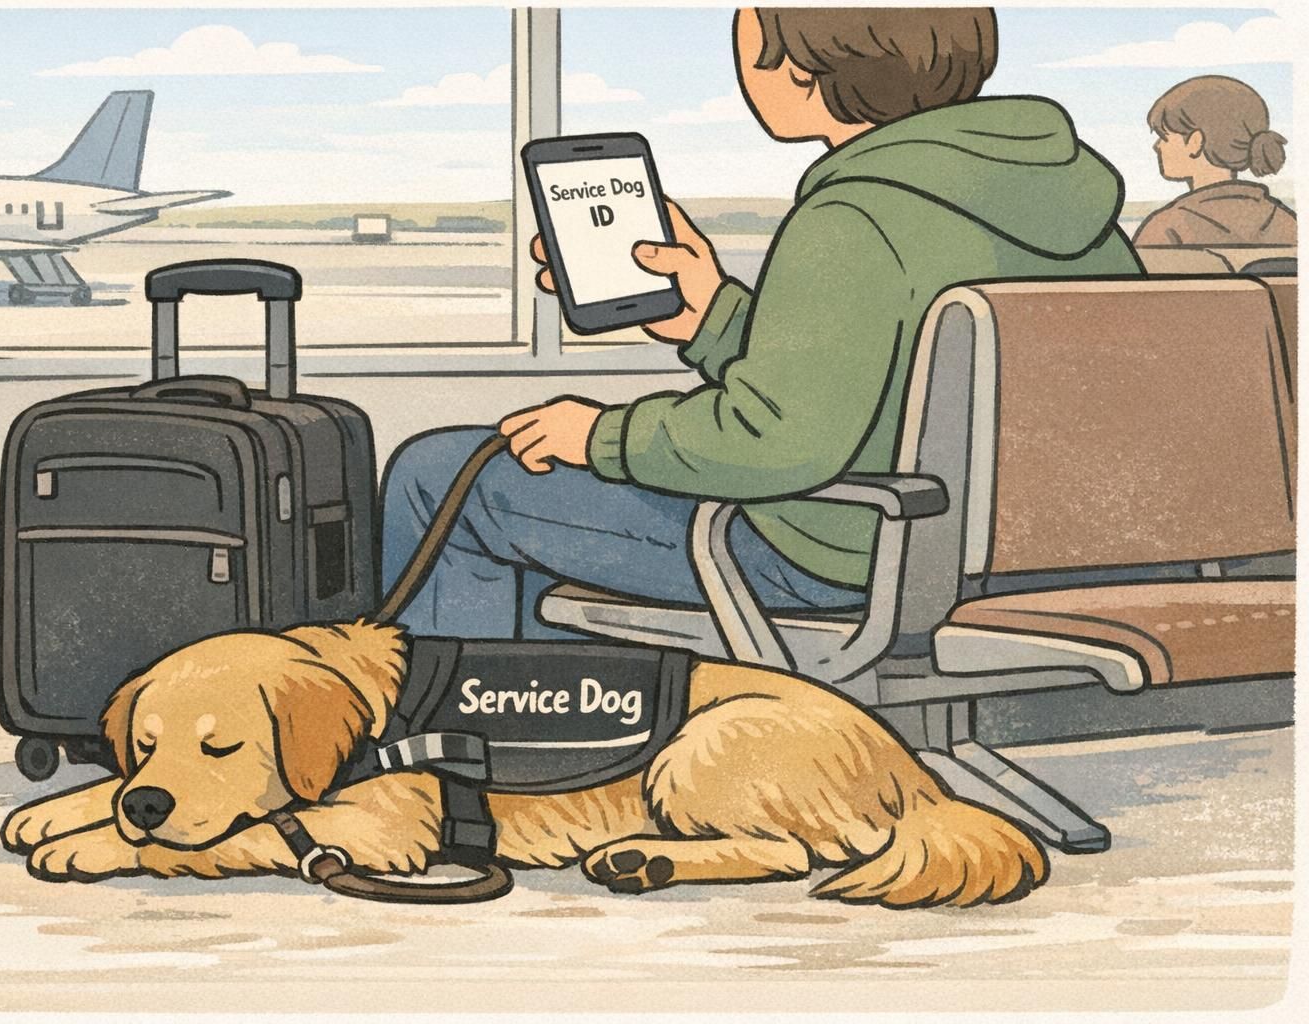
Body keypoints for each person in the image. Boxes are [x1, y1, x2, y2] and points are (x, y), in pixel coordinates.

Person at [381, 6, 1142, 640]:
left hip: (840, 554)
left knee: (445, 474)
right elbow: (884, 380)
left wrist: (601, 436)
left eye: (748, 43)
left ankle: (460, 754)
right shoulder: (1076, 215)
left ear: (808, 68)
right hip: (1030, 553)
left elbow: (780, 442)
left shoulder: (852, 216)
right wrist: (713, 318)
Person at [1133, 75, 1295, 247]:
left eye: (1164, 137)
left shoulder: (1166, 228)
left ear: (1195, 142)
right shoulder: (1287, 222)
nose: (1157, 146)